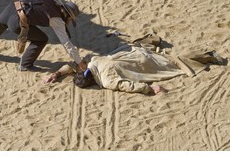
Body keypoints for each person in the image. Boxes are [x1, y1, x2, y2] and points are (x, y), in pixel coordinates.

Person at [44, 34, 226, 95]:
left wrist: (150, 88)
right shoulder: (94, 62)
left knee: (175, 64)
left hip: (143, 62)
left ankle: (207, 56)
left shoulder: (107, 82)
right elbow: (73, 66)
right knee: (163, 56)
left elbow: (129, 86)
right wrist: (57, 74)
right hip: (132, 51)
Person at [0, 0, 87, 71]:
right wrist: (79, 62)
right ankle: (25, 64)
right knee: (42, 39)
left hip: (11, 8)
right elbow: (66, 43)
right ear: (67, 15)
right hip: (17, 23)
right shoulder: (57, 20)